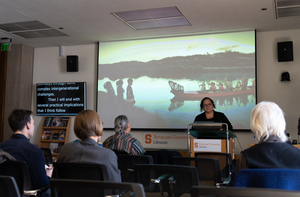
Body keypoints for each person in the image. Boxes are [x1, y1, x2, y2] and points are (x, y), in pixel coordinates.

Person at [56, 110, 121, 182]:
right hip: (100, 193)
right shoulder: (108, 155)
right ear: (98, 127)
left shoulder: (65, 150)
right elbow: (117, 188)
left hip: (68, 193)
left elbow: (57, 180)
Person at [236, 101, 300, 173]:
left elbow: (239, 183)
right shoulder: (298, 155)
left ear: (254, 124)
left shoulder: (245, 157)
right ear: (282, 122)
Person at [0, 109, 52, 197]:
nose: (34, 126)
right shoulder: (35, 151)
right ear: (28, 125)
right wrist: (48, 176)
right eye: (33, 123)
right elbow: (42, 184)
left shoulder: (1, 147)